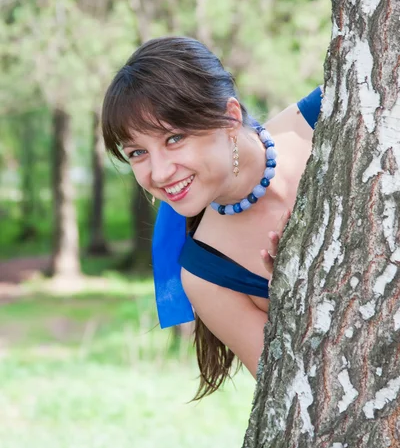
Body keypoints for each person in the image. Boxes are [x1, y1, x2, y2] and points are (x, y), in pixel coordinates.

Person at [102, 36, 322, 399]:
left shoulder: (327, 116)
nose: (158, 173)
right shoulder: (206, 274)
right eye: (138, 152)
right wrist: (298, 286)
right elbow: (300, 398)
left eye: (174, 138)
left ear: (230, 117)